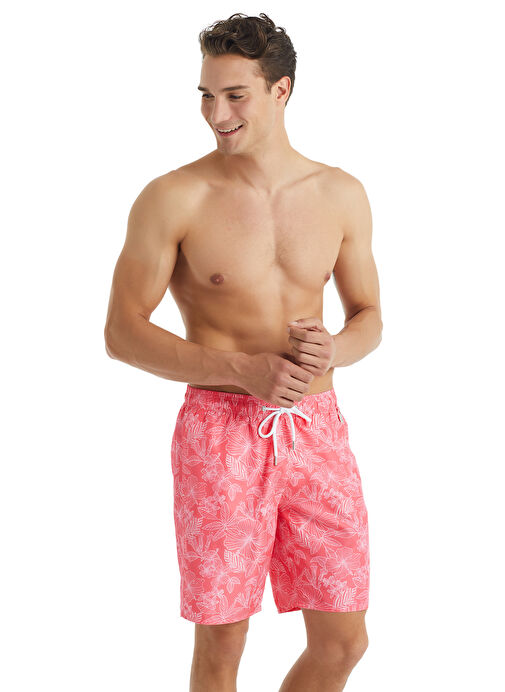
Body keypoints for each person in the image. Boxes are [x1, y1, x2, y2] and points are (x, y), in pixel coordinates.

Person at [104, 11, 382, 692]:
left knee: (344, 642)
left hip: (317, 431)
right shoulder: (173, 197)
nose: (216, 114)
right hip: (218, 434)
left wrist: (335, 350)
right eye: (206, 95)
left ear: (281, 90)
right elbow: (121, 332)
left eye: (235, 95)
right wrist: (240, 370)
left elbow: (369, 318)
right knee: (223, 643)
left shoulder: (340, 193)